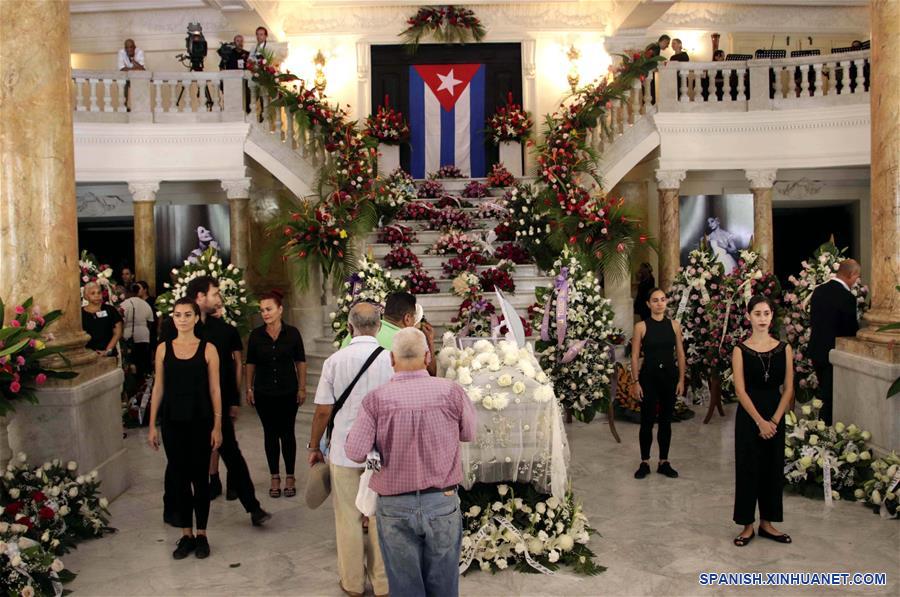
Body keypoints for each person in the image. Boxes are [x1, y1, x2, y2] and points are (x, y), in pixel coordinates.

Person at [345, 328, 476, 597]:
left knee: (404, 587)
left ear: (391, 359)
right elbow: (469, 434)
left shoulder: (375, 401)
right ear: (428, 356)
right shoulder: (452, 392)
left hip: (394, 506)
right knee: (444, 586)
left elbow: (355, 452)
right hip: (442, 501)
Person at [160, 277, 270, 527]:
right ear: (200, 297)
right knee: (178, 460)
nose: (219, 299)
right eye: (215, 294)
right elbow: (164, 368)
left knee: (232, 453)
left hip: (214, 406)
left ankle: (252, 506)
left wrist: (232, 401)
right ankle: (173, 508)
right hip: (182, 407)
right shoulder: (173, 328)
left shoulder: (223, 331)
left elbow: (228, 372)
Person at [309, 302, 393, 597]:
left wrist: (313, 446)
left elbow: (322, 411)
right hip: (382, 453)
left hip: (345, 451)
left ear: (349, 327)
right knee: (380, 516)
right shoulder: (390, 360)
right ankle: (383, 583)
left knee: (348, 517)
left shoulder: (335, 360)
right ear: (379, 327)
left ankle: (353, 583)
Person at [147, 297, 223, 560]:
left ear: (195, 317)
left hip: (201, 420)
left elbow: (215, 389)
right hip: (172, 421)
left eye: (187, 314)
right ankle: (185, 534)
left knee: (200, 479)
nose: (182, 319)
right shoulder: (163, 349)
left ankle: (202, 533)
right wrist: (152, 425)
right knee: (178, 479)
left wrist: (218, 425)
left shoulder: (208, 349)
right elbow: (159, 387)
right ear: (173, 318)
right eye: (178, 315)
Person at [732, 295, 794, 547]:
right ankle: (747, 525)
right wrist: (760, 422)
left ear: (772, 316)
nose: (762, 318)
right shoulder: (740, 349)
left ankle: (768, 523)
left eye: (766, 313)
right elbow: (740, 390)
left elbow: (789, 388)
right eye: (757, 313)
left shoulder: (784, 348)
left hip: (775, 413)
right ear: (748, 316)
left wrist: (774, 421)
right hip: (750, 417)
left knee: (772, 469)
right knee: (748, 469)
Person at [246, 291, 307, 498]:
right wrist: (249, 387)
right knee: (270, 434)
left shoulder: (293, 333)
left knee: (287, 433)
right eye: (262, 310)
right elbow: (250, 363)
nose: (265, 313)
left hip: (288, 390)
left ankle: (290, 475)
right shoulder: (256, 335)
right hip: (264, 392)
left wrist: (302, 387)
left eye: (269, 309)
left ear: (280, 309)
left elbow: (300, 361)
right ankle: (274, 476)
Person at [631, 288, 686, 479]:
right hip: (648, 378)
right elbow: (635, 355)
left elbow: (680, 353)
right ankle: (644, 461)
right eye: (655, 300)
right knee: (647, 421)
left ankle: (664, 461)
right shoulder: (641, 327)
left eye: (662, 299)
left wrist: (681, 379)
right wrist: (636, 381)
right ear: (648, 304)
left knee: (666, 421)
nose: (660, 303)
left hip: (669, 377)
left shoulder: (674, 325)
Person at [808, 259, 860, 425]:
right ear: (852, 275)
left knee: (825, 395)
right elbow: (850, 332)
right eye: (857, 277)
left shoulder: (818, 290)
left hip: (817, 351)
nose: (857, 281)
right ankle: (826, 436)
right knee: (831, 400)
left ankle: (824, 430)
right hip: (835, 355)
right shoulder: (847, 298)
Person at [340, 292, 436, 375]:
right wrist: (430, 341)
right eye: (414, 317)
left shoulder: (360, 330)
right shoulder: (409, 340)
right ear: (407, 318)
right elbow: (430, 374)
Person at [121, 284, 155, 381]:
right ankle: (142, 384)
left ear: (127, 292)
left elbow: (121, 321)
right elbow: (150, 321)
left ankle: (133, 385)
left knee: (131, 361)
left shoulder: (125, 304)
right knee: (142, 361)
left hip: (129, 336)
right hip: (144, 336)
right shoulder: (145, 304)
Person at [81, 282, 123, 356]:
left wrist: (107, 351)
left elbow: (118, 332)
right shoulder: (80, 313)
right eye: (93, 293)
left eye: (99, 293)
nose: (97, 295)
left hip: (108, 353)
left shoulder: (110, 310)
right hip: (87, 355)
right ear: (86, 296)